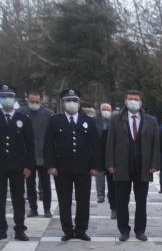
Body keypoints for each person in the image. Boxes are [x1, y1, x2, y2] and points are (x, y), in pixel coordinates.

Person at [43, 89, 100, 241]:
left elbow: (95, 145)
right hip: (62, 168)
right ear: (63, 103)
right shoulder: (55, 121)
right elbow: (48, 144)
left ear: (79, 102)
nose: (71, 103)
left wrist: (95, 166)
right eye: (68, 100)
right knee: (64, 201)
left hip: (84, 168)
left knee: (83, 201)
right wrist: (50, 165)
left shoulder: (88, 121)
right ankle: (67, 230)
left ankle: (81, 230)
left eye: (74, 100)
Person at [105, 89, 161, 242]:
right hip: (122, 165)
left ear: (141, 101)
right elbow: (110, 143)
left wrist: (155, 163)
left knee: (141, 200)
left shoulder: (151, 120)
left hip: (143, 166)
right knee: (122, 200)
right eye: (130, 98)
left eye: (136, 99)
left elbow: (156, 144)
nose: (133, 101)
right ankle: (124, 230)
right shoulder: (116, 119)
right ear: (125, 101)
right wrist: (110, 163)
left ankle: (140, 230)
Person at [0, 84, 34, 241]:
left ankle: (19, 229)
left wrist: (29, 166)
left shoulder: (23, 119)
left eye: (9, 96)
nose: (6, 100)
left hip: (18, 166)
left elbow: (30, 145)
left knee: (18, 198)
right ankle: (1, 229)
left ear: (14, 98)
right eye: (3, 97)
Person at [23, 91, 53, 218]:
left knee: (46, 184)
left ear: (41, 101)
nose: (34, 104)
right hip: (28, 155)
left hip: (44, 155)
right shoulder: (21, 113)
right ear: (27, 100)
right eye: (32, 101)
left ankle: (47, 208)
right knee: (30, 184)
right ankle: (33, 208)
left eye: (36, 101)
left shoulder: (48, 114)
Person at [95, 103, 116, 219]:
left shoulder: (115, 122)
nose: (106, 111)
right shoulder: (95, 121)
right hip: (99, 155)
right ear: (100, 110)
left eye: (108, 109)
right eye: (104, 109)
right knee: (99, 176)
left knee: (113, 184)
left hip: (111, 156)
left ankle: (114, 208)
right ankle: (100, 195)